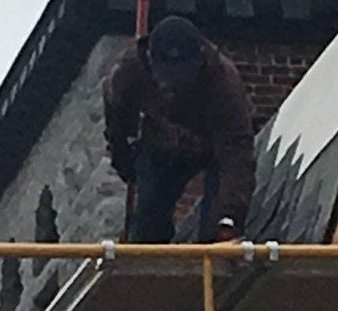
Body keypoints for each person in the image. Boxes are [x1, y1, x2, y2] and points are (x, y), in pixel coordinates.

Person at [103, 15, 256, 242]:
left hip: (213, 147)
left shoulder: (224, 82)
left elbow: (236, 153)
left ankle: (212, 260)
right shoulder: (128, 73)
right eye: (167, 77)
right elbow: (117, 120)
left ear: (199, 59)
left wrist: (229, 217)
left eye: (182, 77)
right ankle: (147, 264)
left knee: (216, 228)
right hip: (162, 143)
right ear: (150, 61)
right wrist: (123, 159)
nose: (174, 85)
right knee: (148, 216)